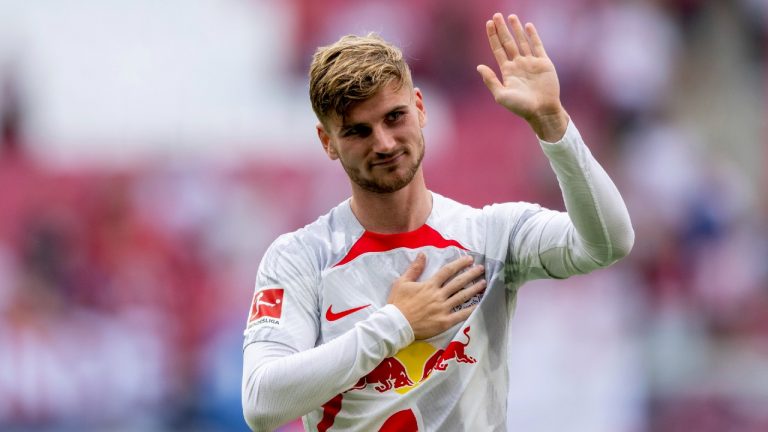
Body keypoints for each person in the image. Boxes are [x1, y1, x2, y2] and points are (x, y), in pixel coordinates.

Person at [242, 12, 634, 431]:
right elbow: (262, 404)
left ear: (420, 108)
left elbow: (608, 243)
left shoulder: (491, 235)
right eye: (359, 132)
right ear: (328, 143)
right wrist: (398, 323)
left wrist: (553, 123)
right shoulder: (302, 257)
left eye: (395, 117)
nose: (385, 143)